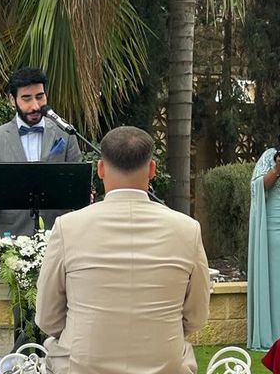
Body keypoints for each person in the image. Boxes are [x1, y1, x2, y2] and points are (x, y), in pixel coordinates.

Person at [35, 126, 210, 374]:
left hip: (83, 367)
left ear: (100, 168)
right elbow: (196, 317)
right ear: (151, 169)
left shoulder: (68, 228)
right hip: (164, 366)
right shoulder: (188, 229)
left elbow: (47, 317)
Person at [0, 67, 82, 237]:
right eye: (26, 99)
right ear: (12, 100)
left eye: (40, 97)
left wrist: (85, 194)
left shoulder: (66, 133)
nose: (35, 106)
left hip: (59, 238)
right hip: (11, 242)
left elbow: (79, 191)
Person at [248, 138, 280, 350]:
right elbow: (257, 186)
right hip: (272, 227)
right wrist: (277, 168)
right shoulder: (269, 156)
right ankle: (274, 334)